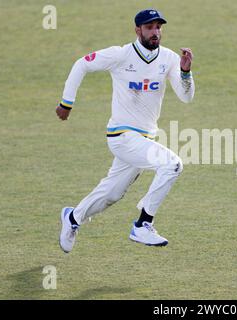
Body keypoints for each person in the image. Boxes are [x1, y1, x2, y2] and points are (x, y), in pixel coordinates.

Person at [56, 9, 195, 253]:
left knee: (111, 194)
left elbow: (186, 97)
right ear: (137, 30)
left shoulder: (170, 59)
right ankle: (143, 224)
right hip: (122, 136)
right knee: (172, 164)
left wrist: (185, 72)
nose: (155, 32)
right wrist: (67, 103)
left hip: (144, 139)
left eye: (158, 27)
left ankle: (73, 218)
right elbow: (81, 65)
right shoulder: (121, 55)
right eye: (150, 27)